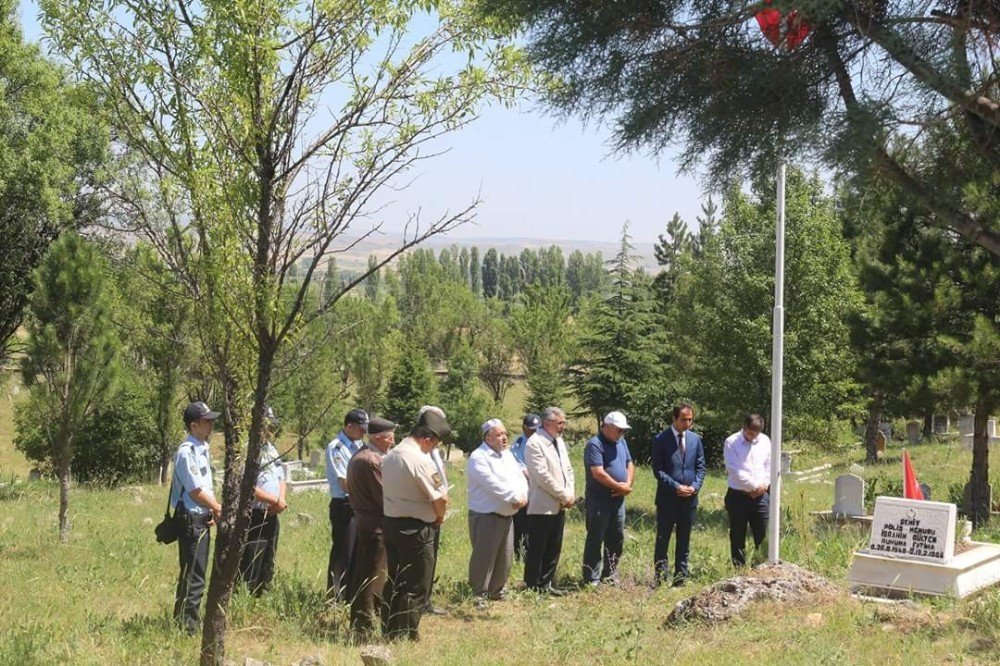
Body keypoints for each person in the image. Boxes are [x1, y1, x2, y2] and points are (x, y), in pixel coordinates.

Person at [381, 410, 451, 640]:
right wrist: (439, 517)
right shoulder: (418, 459)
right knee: (417, 585)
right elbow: (440, 498)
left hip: (391, 523)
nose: (431, 450)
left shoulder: (391, 455)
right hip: (415, 528)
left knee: (396, 580)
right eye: (433, 445)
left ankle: (390, 629)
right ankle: (406, 633)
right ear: (427, 439)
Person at [171, 401, 223, 634]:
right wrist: (217, 507)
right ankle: (188, 628)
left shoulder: (201, 448)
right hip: (192, 520)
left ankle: (183, 621)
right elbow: (195, 490)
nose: (211, 425)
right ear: (193, 425)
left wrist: (210, 510)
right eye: (206, 421)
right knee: (195, 577)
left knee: (193, 573)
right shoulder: (186, 452)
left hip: (200, 516)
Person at [466, 419, 529, 604]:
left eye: (505, 434)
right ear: (487, 438)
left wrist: (522, 495)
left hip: (507, 514)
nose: (504, 438)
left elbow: (520, 476)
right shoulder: (479, 457)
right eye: (499, 434)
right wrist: (514, 498)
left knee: (505, 556)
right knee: (484, 556)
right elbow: (492, 485)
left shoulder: (507, 455)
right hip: (486, 514)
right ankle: (479, 593)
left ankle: (497, 590)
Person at [345, 416, 396, 639]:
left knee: (373, 573)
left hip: (370, 523)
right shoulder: (370, 460)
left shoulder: (364, 456)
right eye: (390, 436)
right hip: (375, 525)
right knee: (369, 575)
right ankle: (363, 622)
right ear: (378, 437)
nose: (393, 440)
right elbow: (385, 495)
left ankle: (368, 615)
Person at [652, 403, 706, 586]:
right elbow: (658, 470)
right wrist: (676, 487)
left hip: (689, 499)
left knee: (684, 539)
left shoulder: (695, 439)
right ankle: (660, 577)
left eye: (690, 419)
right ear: (674, 418)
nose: (688, 423)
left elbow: (701, 467)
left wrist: (695, 486)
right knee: (663, 538)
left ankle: (680, 577)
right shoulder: (661, 439)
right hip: (668, 499)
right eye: (684, 419)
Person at [523, 406, 575, 595]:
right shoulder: (534, 443)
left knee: (554, 545)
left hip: (561, 503)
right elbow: (542, 476)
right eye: (560, 423)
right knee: (538, 546)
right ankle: (532, 585)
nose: (563, 427)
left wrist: (569, 493)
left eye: (564, 423)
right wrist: (563, 495)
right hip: (543, 504)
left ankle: (547, 582)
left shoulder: (558, 441)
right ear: (547, 423)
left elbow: (567, 469)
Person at [239, 405, 287, 596]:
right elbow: (247, 486)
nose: (269, 429)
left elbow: (281, 477)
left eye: (271, 425)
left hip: (272, 512)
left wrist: (280, 500)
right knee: (251, 560)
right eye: (266, 425)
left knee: (268, 559)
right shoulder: (247, 450)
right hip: (255, 514)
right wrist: (274, 499)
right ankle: (245, 598)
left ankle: (261, 595)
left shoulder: (271, 449)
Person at [582, 411, 635, 586]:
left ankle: (610, 574)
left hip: (618, 500)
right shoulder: (594, 445)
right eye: (619, 430)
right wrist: (618, 487)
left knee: (616, 538)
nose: (622, 434)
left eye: (624, 431)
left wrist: (626, 484)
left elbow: (629, 463)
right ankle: (591, 577)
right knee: (595, 538)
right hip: (599, 499)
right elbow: (598, 473)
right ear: (606, 427)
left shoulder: (622, 442)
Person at [326, 408, 368, 600]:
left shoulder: (357, 445)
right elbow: (345, 481)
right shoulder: (337, 447)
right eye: (361, 428)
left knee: (357, 551)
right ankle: (336, 595)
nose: (364, 432)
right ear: (349, 426)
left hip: (358, 504)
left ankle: (350, 592)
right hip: (344, 504)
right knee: (344, 551)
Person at [723, 414, 772, 567]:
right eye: (750, 433)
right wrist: (754, 486)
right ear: (744, 427)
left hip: (762, 497)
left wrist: (764, 485)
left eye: (756, 434)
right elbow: (734, 470)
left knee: (763, 536)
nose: (753, 437)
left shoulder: (765, 441)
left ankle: (761, 568)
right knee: (738, 536)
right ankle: (739, 570)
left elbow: (769, 465)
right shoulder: (732, 442)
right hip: (738, 496)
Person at [416, 404, 450, 616]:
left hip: (436, 509)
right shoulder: (419, 448)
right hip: (424, 509)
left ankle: (426, 599)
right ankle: (418, 602)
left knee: (431, 558)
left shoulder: (434, 448)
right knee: (421, 559)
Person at [509, 413, 540, 561]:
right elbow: (521, 468)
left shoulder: (543, 442)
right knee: (521, 524)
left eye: (536, 429)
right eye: (531, 429)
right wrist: (537, 478)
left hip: (540, 489)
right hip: (524, 489)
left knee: (536, 524)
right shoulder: (519, 444)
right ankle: (520, 554)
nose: (534, 432)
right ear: (524, 428)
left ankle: (533, 553)